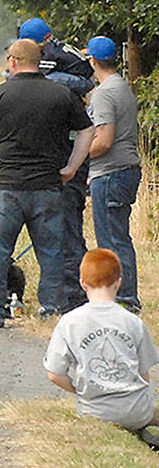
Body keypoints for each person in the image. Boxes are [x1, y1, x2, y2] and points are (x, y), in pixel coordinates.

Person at [0, 38, 94, 327]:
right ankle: (52, 309)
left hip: (8, 187)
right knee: (51, 252)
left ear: (12, 61)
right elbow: (87, 131)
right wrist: (71, 166)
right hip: (48, 186)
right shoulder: (61, 94)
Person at [44, 249, 159, 443]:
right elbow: (144, 376)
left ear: (83, 284)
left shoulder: (69, 322)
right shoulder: (132, 322)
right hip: (136, 410)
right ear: (118, 282)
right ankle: (141, 434)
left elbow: (54, 374)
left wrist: (78, 390)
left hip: (93, 411)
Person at [84, 36, 144, 313]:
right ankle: (126, 297)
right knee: (120, 236)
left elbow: (104, 140)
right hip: (125, 170)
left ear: (92, 60)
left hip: (110, 173)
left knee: (111, 240)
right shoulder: (121, 86)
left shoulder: (105, 93)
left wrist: (78, 159)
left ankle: (125, 299)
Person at [18, 18, 93, 96]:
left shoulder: (49, 53)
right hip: (80, 75)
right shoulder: (53, 45)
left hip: (84, 80)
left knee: (45, 79)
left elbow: (40, 73)